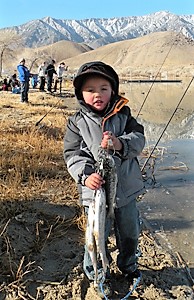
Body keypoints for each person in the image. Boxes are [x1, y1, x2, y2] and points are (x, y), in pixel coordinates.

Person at [64, 61, 145, 297]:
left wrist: (121, 143)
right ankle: (97, 272)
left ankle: (129, 266)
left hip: (126, 192)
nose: (97, 94)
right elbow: (73, 154)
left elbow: (138, 139)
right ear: (80, 93)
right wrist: (86, 175)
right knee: (95, 234)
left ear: (113, 90)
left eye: (103, 88)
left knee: (130, 233)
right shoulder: (76, 122)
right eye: (90, 89)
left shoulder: (125, 115)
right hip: (95, 195)